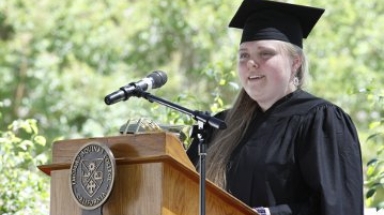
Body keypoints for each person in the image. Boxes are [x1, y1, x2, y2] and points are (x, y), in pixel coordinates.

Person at [186, 0, 364, 215]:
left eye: (265, 53)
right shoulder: (220, 126)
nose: (251, 62)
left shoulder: (320, 120)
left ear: (295, 62)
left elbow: (338, 207)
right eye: (244, 55)